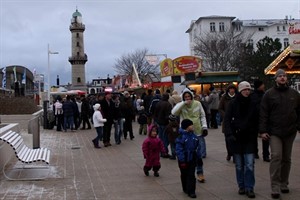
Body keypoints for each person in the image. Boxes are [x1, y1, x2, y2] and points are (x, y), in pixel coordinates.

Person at [259, 69, 300, 199]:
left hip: (290, 131)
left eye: (284, 76)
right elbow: (264, 113)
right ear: (275, 79)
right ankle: (275, 186)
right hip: (275, 131)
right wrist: (263, 130)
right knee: (276, 156)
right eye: (280, 76)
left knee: (286, 158)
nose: (282, 78)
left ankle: (284, 183)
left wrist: (298, 125)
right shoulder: (269, 94)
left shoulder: (294, 94)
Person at [224, 81, 259, 198]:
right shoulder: (233, 104)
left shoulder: (253, 103)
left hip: (249, 137)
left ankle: (250, 187)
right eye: (244, 89)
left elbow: (257, 119)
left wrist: (257, 131)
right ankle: (241, 186)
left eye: (248, 89)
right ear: (240, 90)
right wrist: (229, 134)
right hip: (236, 138)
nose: (247, 91)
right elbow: (227, 119)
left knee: (249, 164)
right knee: (239, 165)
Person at [172, 88, 208, 183]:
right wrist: (183, 103)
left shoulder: (198, 103)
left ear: (192, 96)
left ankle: (200, 173)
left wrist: (204, 127)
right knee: (187, 154)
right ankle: (189, 173)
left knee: (198, 154)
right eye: (185, 97)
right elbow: (173, 112)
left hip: (197, 131)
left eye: (189, 96)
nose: (188, 98)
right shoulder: (182, 106)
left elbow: (202, 116)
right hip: (186, 133)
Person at [176, 119, 202, 198]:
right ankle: (185, 187)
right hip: (184, 160)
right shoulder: (181, 137)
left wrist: (199, 157)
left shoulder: (194, 136)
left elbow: (198, 147)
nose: (192, 126)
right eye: (191, 125)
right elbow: (179, 149)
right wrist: (182, 160)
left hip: (192, 158)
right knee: (184, 174)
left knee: (191, 175)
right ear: (187, 127)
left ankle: (191, 191)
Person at [218, 84, 237, 161]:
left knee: (236, 138)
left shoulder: (237, 97)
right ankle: (229, 153)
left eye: (233, 89)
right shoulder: (224, 97)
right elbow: (220, 108)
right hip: (227, 121)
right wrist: (225, 115)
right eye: (230, 89)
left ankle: (235, 155)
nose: (232, 90)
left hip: (236, 121)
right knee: (228, 139)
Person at [252, 80, 269, 161]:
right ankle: (256, 152)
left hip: (263, 118)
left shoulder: (265, 94)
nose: (264, 86)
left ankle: (265, 154)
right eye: (262, 84)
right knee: (254, 137)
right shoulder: (254, 95)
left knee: (265, 136)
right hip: (255, 118)